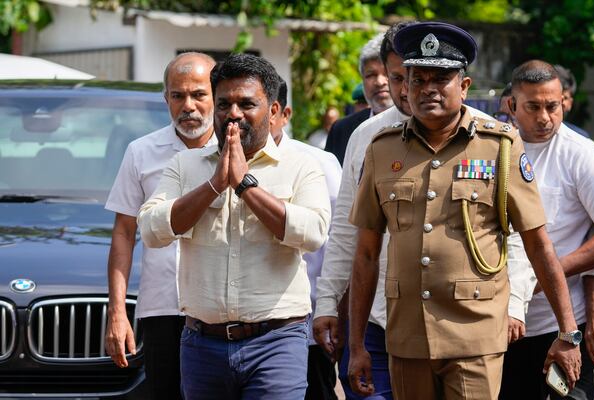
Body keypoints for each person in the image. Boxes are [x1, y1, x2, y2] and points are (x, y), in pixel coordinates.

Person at [347, 22, 581, 400]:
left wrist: (568, 333)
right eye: (417, 79)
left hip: (475, 338)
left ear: (464, 86)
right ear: (404, 87)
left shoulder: (499, 146)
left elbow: (538, 245)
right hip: (407, 339)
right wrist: (356, 344)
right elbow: (366, 253)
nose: (428, 89)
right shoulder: (382, 149)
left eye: (441, 78)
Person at [313, 20, 493, 400]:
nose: (409, 90)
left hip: (464, 321)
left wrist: (518, 306)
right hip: (381, 318)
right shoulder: (369, 137)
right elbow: (348, 233)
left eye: (432, 77)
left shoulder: (491, 138)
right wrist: (329, 302)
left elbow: (514, 236)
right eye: (402, 78)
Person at [137, 53, 331, 400]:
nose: (234, 113)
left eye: (246, 103)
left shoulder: (302, 164)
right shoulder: (185, 165)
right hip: (202, 344)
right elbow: (152, 230)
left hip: (276, 343)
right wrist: (213, 185)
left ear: (273, 111)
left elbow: (314, 233)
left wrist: (245, 185)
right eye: (224, 103)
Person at [104, 52, 216, 399]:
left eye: (199, 94)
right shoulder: (141, 152)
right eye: (178, 95)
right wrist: (118, 313)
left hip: (220, 308)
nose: (189, 106)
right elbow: (124, 233)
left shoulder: (239, 152)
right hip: (162, 309)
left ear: (216, 96)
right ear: (165, 98)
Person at [499, 60, 594, 400]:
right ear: (512, 105)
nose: (544, 117)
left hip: (561, 325)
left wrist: (549, 274)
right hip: (500, 324)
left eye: (552, 106)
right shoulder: (491, 150)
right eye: (533, 107)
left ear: (564, 101)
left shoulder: (582, 156)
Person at [272, 77, 342, 400]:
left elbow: (337, 245)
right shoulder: (218, 163)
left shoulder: (319, 163)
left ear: (281, 113)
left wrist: (331, 311)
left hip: (310, 327)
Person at [325, 33, 394, 164]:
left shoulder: (419, 124)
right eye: (371, 75)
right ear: (362, 80)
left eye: (387, 73)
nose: (379, 82)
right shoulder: (342, 129)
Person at [554, 64, 590, 138]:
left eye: (565, 98)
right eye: (555, 97)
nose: (560, 102)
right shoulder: (524, 134)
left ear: (570, 103)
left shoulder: (580, 138)